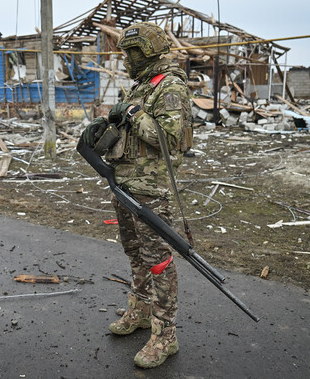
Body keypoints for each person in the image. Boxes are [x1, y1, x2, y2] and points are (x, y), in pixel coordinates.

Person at [80, 22, 192, 368]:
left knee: (158, 261)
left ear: (148, 51)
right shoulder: (142, 86)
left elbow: (167, 138)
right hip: (125, 183)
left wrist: (131, 112)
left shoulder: (170, 86)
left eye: (131, 52)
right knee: (135, 253)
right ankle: (141, 311)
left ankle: (165, 335)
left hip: (151, 190)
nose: (126, 59)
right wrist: (106, 126)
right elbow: (131, 131)